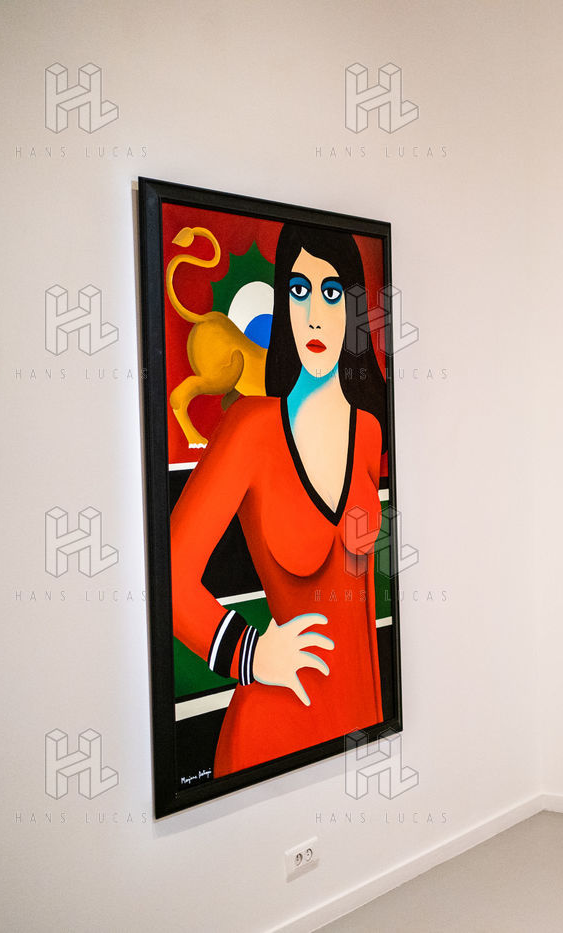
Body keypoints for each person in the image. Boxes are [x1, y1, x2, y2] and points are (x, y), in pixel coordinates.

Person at [170, 222, 391, 776]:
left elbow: (362, 609)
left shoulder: (368, 432)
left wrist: (380, 720)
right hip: (270, 734)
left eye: (331, 292)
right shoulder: (250, 428)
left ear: (353, 307)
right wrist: (247, 652)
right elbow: (167, 576)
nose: (313, 315)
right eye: (298, 290)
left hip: (359, 722)